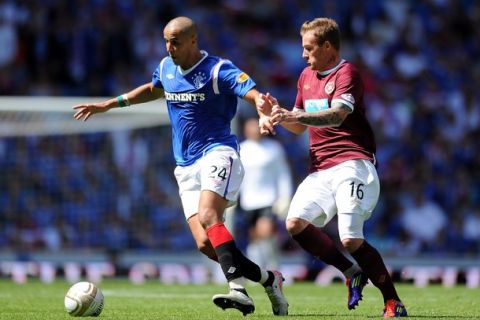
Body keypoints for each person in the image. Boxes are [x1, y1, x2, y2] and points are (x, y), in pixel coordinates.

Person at [73, 16, 288, 316]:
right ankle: (269, 279)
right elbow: (153, 88)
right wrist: (110, 103)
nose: (169, 47)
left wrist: (263, 113)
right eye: (166, 41)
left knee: (210, 215)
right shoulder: (165, 67)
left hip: (218, 152)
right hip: (185, 165)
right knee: (204, 243)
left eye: (175, 41)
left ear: (193, 41)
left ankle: (237, 290)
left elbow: (251, 93)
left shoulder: (217, 69)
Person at [261, 18, 407, 318]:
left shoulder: (347, 72)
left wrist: (295, 115)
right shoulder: (305, 76)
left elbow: (339, 115)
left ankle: (393, 301)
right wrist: (278, 116)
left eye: (309, 48)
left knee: (350, 238)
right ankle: (352, 271)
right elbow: (300, 126)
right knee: (295, 223)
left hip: (353, 164)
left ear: (328, 47)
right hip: (320, 168)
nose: (303, 54)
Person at [238, 117, 293, 270]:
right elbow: (238, 176)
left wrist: (285, 196)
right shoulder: (241, 149)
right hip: (248, 201)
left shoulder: (274, 149)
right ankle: (257, 269)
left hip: (268, 198)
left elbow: (283, 173)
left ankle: (273, 266)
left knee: (266, 231)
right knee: (255, 237)